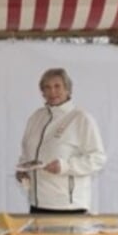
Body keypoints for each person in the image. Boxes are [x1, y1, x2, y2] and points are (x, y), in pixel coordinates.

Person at [16, 68, 106, 214]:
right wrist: (23, 172)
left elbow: (98, 159)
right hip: (37, 204)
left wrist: (65, 166)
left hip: (68, 206)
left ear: (68, 90)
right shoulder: (36, 118)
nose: (52, 91)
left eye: (57, 86)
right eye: (47, 87)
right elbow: (26, 155)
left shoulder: (81, 118)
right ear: (42, 92)